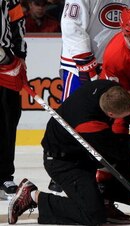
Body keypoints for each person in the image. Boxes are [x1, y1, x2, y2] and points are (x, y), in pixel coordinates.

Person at [8, 80, 130, 225]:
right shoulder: (89, 124)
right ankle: (32, 196)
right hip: (64, 161)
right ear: (111, 114)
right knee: (94, 216)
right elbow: (118, 150)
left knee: (129, 161)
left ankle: (105, 204)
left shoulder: (108, 87)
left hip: (82, 150)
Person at [50, 0, 130, 195]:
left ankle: (102, 176)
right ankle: (64, 170)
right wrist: (86, 62)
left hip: (114, 63)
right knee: (72, 120)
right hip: (78, 65)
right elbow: (70, 24)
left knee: (109, 123)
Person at [0, 0, 27, 200]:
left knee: (8, 120)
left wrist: (19, 55)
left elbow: (17, 20)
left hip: (5, 65)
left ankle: (4, 176)